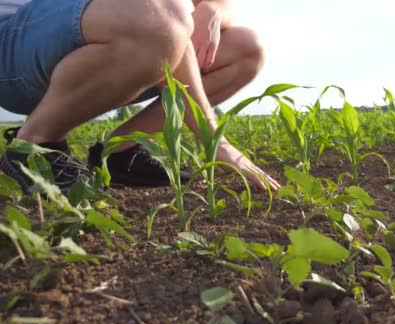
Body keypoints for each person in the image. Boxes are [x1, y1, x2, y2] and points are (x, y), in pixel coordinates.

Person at [0, 0, 280, 192]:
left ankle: (120, 152)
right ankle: (35, 145)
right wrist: (213, 139)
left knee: (244, 49)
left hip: (101, 45)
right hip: (12, 46)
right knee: (161, 17)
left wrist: (211, 9)